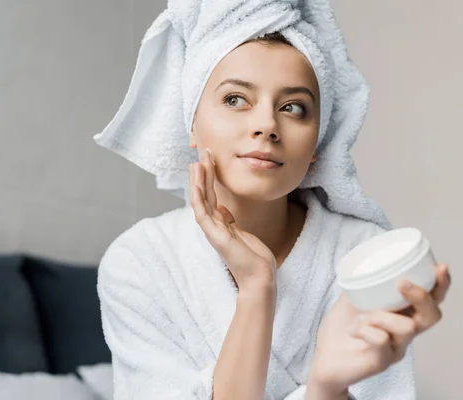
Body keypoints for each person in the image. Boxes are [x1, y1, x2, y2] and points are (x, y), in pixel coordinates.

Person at [93, 3, 451, 400]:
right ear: (191, 123)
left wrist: (327, 389)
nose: (266, 125)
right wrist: (256, 287)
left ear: (318, 142)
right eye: (235, 100)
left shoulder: (360, 256)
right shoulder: (139, 261)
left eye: (293, 108)